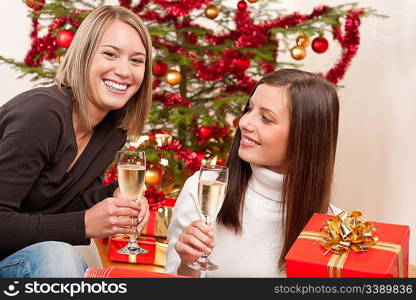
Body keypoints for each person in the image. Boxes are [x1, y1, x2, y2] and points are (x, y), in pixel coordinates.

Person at [0, 5, 153, 277]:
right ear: (83, 56)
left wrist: (115, 196)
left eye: (136, 60)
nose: (124, 71)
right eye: (110, 54)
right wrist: (84, 224)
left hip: (21, 259)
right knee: (57, 254)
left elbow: (68, 203)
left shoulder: (112, 132)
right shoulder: (42, 116)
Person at [165, 69, 342, 277]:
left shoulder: (335, 227)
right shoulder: (204, 189)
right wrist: (187, 265)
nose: (244, 123)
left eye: (266, 118)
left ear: (304, 137)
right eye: (249, 109)